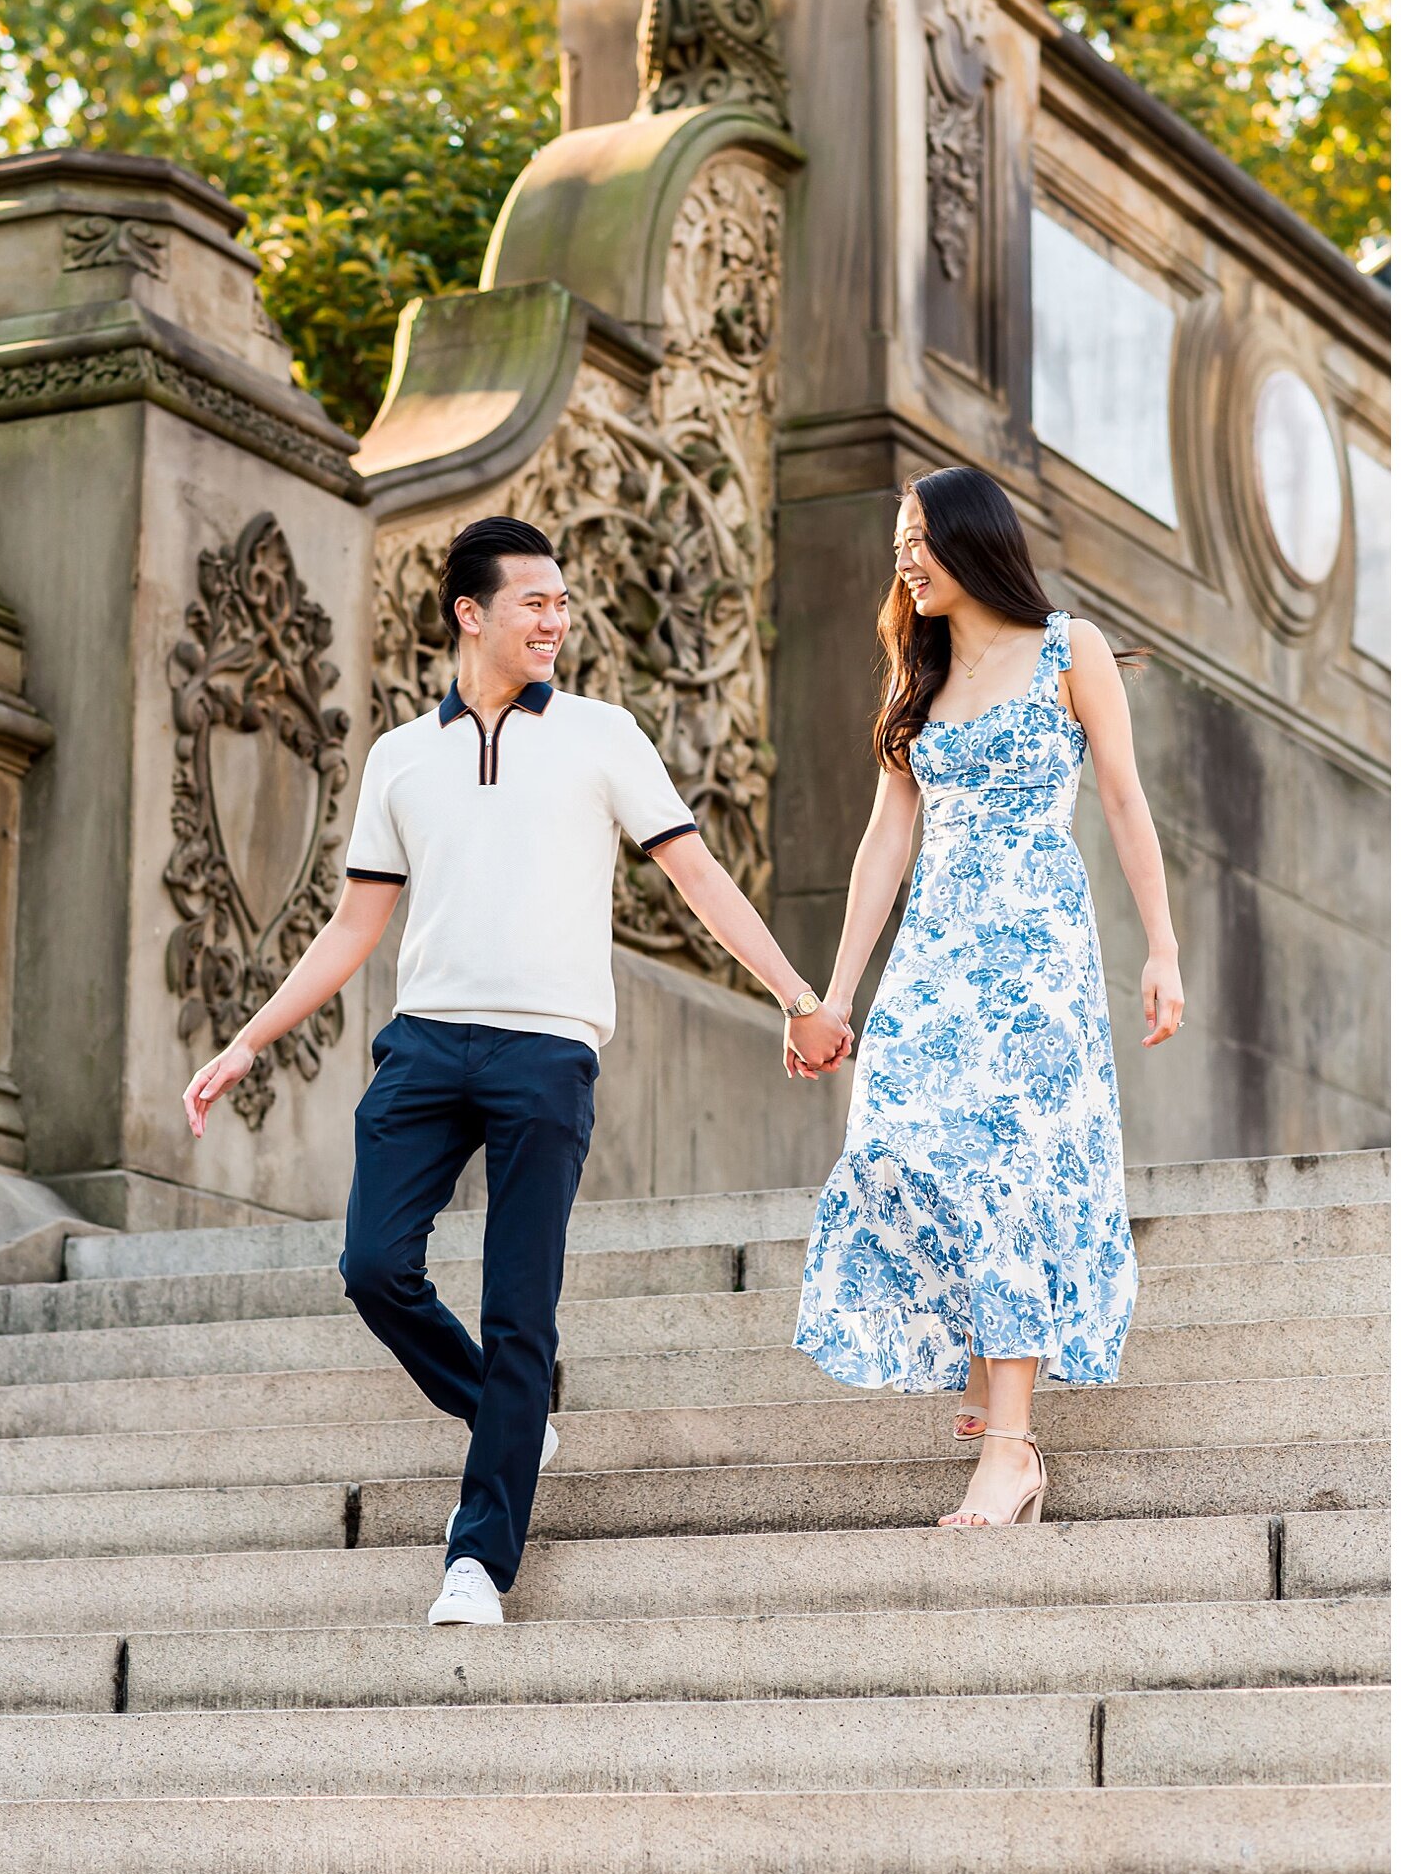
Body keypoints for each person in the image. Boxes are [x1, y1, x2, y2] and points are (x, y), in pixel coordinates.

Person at [183, 515, 851, 1622]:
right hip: (425, 1043)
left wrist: (799, 995)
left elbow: (699, 879)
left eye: (562, 602)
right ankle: (514, 1409)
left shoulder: (603, 735)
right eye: (534, 602)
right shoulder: (402, 755)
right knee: (372, 1264)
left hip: (547, 1053)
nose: (557, 619)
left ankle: (479, 1559)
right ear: (470, 613)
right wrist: (249, 1037)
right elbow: (353, 927)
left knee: (518, 1304)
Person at [791, 465, 1183, 1529]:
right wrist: (834, 995)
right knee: (895, 1138)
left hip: (1034, 947)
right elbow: (885, 842)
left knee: (1009, 1162)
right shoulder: (915, 675)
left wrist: (1161, 947)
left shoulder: (1070, 647)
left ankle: (1010, 1447)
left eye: (918, 535)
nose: (905, 557)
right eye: (897, 542)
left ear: (972, 537)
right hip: (933, 950)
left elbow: (1123, 798)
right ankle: (980, 1349)